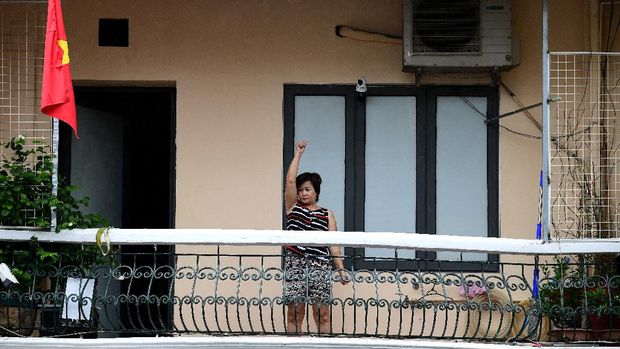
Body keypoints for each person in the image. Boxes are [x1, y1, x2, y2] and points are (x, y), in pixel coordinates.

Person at [283, 140, 349, 334]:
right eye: (301, 189)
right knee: (295, 313)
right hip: (296, 262)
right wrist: (298, 155)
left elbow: (333, 245)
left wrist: (341, 270)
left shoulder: (327, 214)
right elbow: (289, 182)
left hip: (319, 265)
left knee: (322, 314)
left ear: (316, 191)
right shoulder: (293, 208)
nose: (303, 193)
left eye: (307, 189)